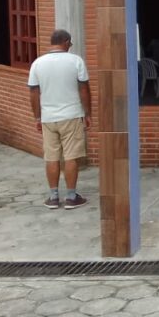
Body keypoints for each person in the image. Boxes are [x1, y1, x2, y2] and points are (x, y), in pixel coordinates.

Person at [28, 29, 91, 209]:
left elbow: (33, 92)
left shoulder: (38, 64)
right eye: (70, 43)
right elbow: (84, 89)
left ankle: (54, 197)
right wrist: (88, 114)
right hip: (71, 115)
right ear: (65, 42)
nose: (70, 46)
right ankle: (71, 197)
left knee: (52, 157)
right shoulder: (75, 61)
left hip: (48, 117)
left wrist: (37, 117)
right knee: (71, 156)